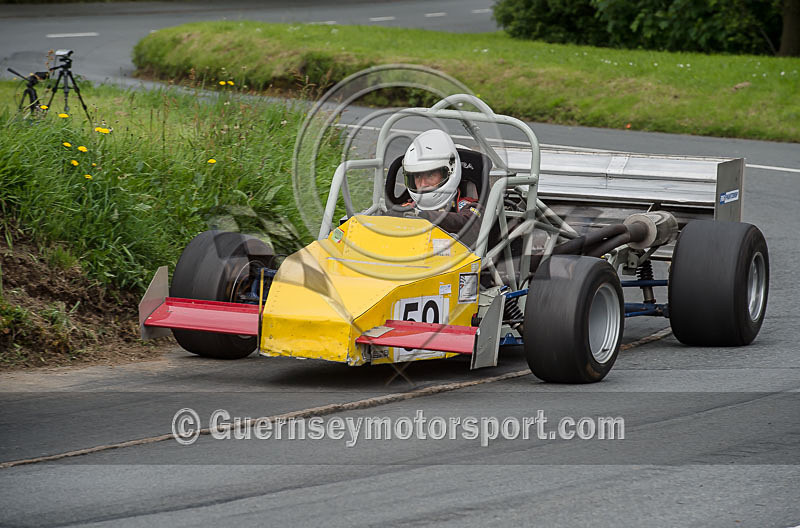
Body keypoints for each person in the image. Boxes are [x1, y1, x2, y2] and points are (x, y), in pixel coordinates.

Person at [392, 129, 484, 247]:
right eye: (418, 176)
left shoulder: (466, 205)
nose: (423, 183)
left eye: (430, 175)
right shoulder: (408, 207)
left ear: (450, 172)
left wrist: (421, 215)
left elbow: (466, 221)